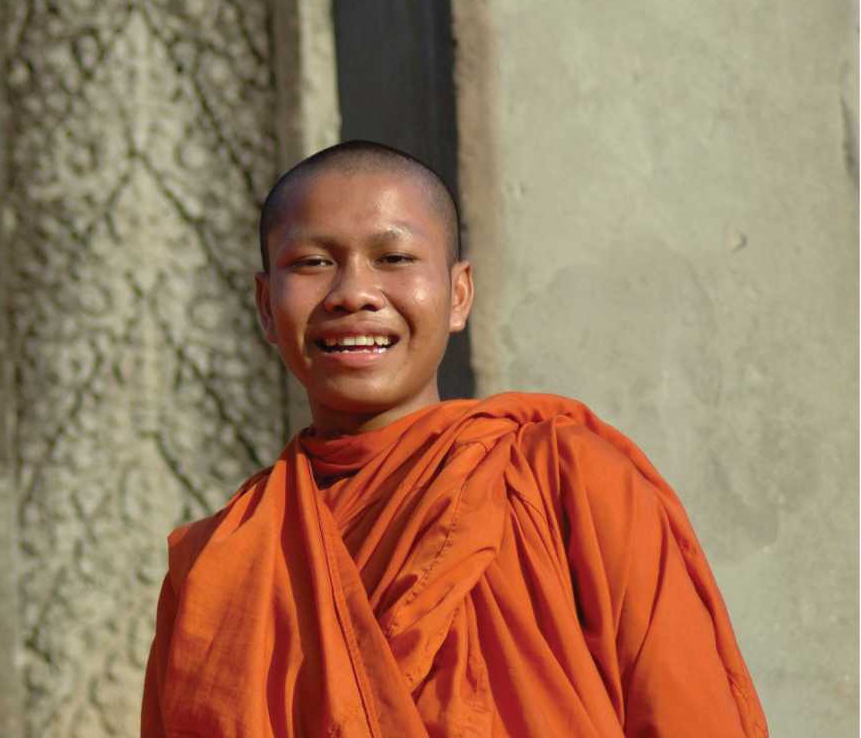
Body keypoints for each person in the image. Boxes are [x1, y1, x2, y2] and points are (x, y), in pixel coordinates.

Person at [139, 140, 766, 737]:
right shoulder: (221, 564)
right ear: (265, 306)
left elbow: (688, 717)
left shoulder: (565, 480)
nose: (354, 293)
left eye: (394, 258)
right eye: (313, 263)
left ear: (459, 294)